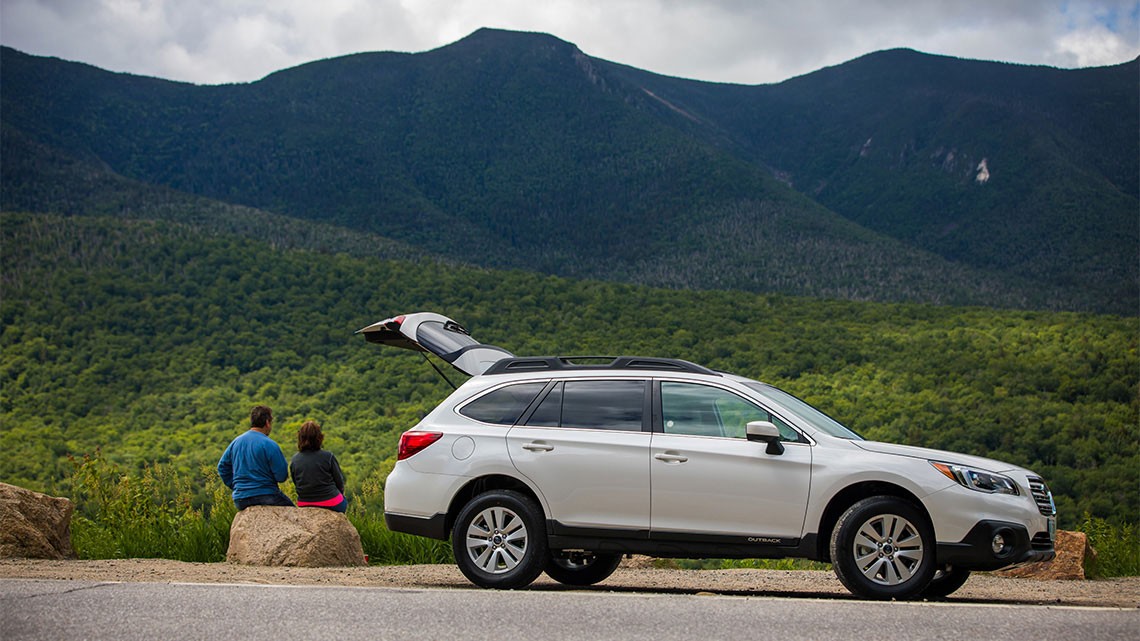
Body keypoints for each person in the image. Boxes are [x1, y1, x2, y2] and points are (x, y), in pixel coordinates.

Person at [217, 405, 294, 510]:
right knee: (294, 513)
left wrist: (236, 485)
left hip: (240, 499)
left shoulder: (236, 442)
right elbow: (282, 476)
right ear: (267, 422)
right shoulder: (269, 444)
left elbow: (222, 467)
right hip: (266, 495)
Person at [290, 420, 348, 513]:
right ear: (319, 437)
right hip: (332, 502)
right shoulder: (328, 456)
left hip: (304, 503)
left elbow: (296, 483)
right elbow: (339, 482)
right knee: (344, 501)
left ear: (300, 438)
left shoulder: (294, 460)